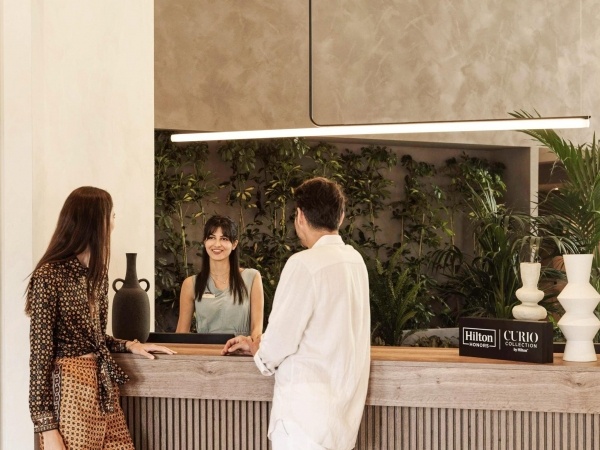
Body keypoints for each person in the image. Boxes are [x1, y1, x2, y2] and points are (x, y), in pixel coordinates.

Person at [222, 177, 370, 450]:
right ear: (341, 216)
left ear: (300, 216)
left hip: (304, 420)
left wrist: (256, 348)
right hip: (342, 423)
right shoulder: (355, 261)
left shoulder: (303, 263)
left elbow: (277, 344)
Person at [26, 186, 175, 450]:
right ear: (96, 221)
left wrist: (129, 345)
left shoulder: (97, 275)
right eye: (112, 215)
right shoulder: (49, 275)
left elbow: (95, 339)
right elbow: (40, 353)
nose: (114, 222)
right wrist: (46, 427)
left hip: (101, 385)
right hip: (70, 389)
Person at [176, 215, 264, 339]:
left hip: (241, 349)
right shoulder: (190, 284)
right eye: (212, 238)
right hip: (205, 350)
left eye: (224, 239)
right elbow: (181, 335)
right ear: (205, 242)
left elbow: (257, 332)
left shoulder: (252, 277)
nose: (217, 244)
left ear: (234, 244)